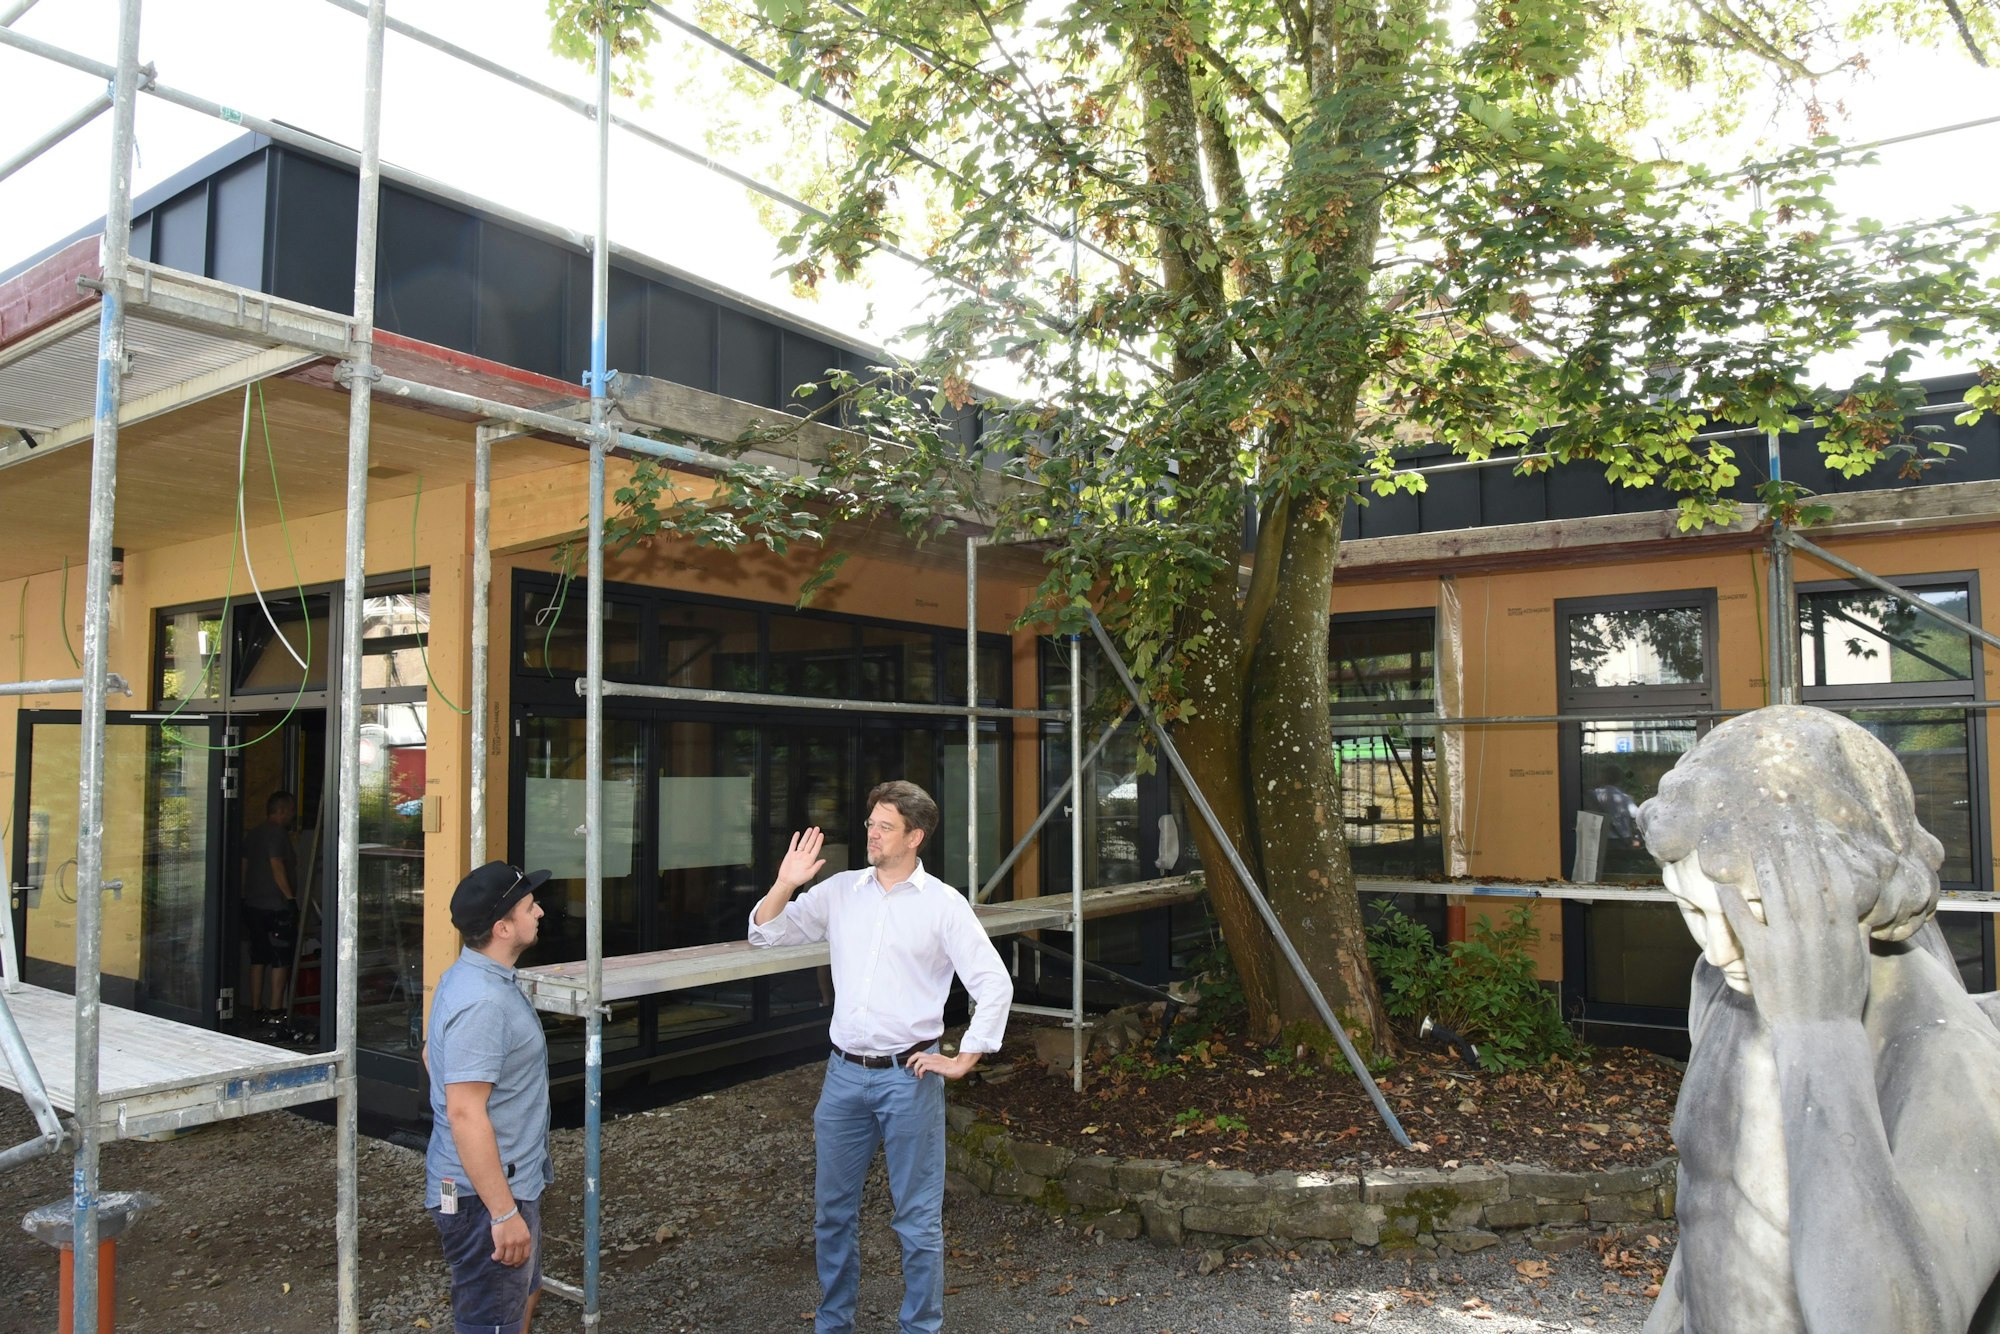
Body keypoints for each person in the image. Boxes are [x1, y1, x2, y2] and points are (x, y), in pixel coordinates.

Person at [1637, 706, 2000, 1334]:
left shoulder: (1946, 1060)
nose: (1721, 950)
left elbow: (1900, 1323)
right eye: (1692, 911)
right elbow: (1705, 1220)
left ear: (1862, 887)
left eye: (1753, 911)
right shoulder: (1720, 991)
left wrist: (1820, 1033)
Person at [750, 780, 1013, 1334]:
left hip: (909, 1078)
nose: (871, 832)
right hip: (843, 1076)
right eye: (870, 822)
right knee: (832, 1215)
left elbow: (993, 982)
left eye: (884, 826)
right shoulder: (841, 891)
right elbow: (766, 936)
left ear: (915, 837)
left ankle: (920, 1327)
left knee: (917, 1220)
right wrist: (785, 883)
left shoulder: (944, 905)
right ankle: (834, 1323)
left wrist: (967, 1055)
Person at [425, 861, 554, 1334]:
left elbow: (429, 1056)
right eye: (528, 906)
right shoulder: (482, 1001)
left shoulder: (470, 978)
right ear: (503, 928)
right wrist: (502, 1212)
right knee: (490, 1321)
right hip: (486, 1198)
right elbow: (463, 1110)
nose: (539, 911)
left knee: (517, 1299)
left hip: (503, 1185)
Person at [240, 790, 299, 1028]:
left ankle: (256, 1008)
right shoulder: (277, 834)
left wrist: (244, 895)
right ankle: (276, 1010)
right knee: (280, 957)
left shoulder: (253, 834)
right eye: (292, 810)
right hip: (275, 906)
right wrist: (290, 898)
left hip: (253, 904)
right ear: (282, 810)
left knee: (258, 956)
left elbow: (243, 866)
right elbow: (276, 865)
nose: (293, 815)